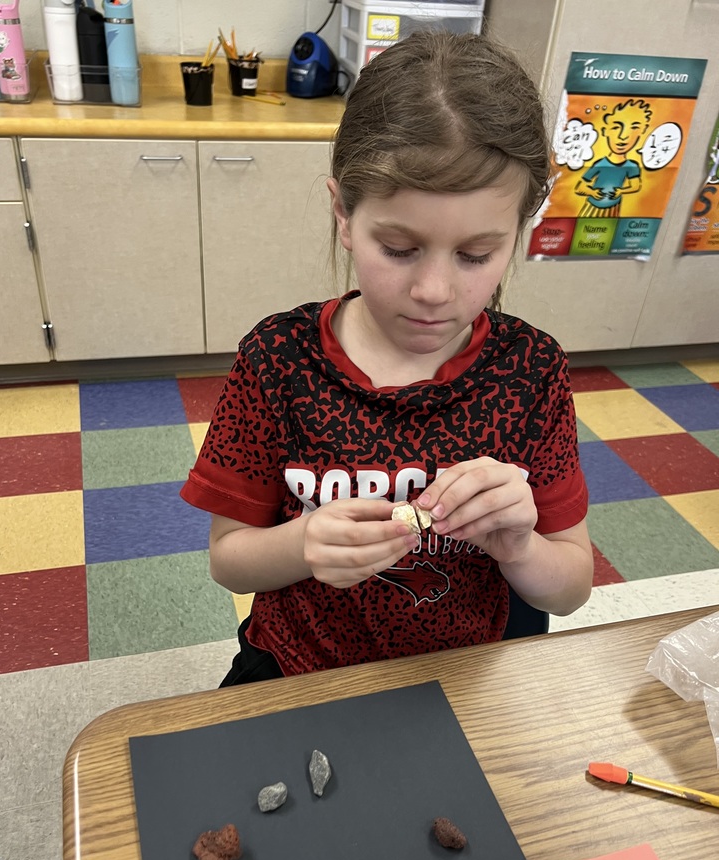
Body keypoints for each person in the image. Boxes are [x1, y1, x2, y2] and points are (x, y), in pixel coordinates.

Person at [181, 30, 593, 686]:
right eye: (399, 249)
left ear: (520, 228)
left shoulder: (530, 372)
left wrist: (518, 544)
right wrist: (302, 545)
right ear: (344, 214)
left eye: (476, 255)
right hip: (299, 662)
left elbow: (569, 589)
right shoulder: (277, 362)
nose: (432, 292)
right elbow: (229, 559)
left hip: (465, 668)